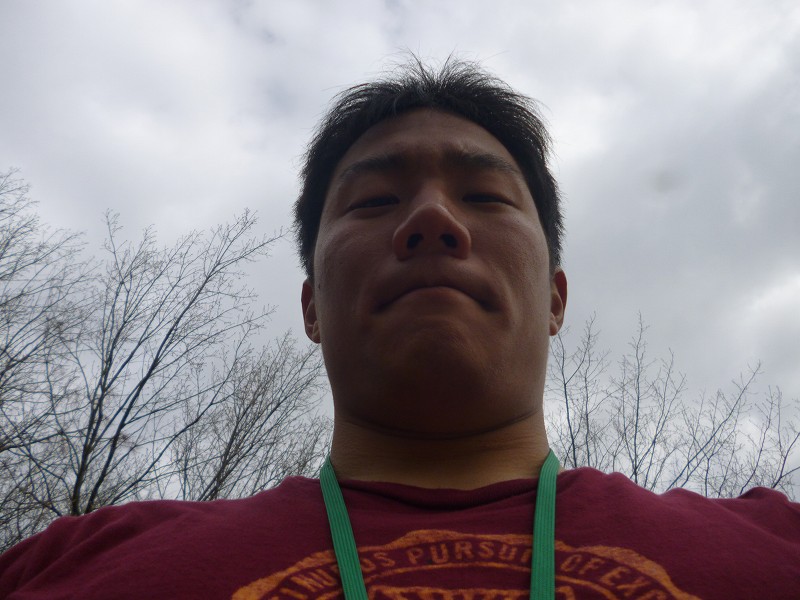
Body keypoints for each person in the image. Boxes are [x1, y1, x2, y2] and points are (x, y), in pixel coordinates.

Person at [1, 58, 798, 600]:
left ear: (556, 298)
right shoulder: (67, 565)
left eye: (485, 197)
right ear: (311, 308)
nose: (431, 220)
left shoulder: (777, 545)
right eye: (375, 201)